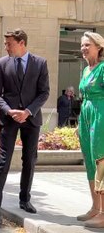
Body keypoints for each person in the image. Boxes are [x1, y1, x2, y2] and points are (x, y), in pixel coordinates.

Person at [0, 28, 50, 226]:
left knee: (29, 159)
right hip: (9, 118)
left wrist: (28, 111)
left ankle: (25, 199)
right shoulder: (2, 63)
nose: (6, 47)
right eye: (6, 44)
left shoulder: (40, 63)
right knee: (3, 161)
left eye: (9, 44)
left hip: (31, 118)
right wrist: (8, 110)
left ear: (22, 43)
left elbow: (44, 92)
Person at [77, 31, 104, 228]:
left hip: (100, 115)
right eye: (82, 45)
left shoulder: (103, 68)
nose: (84, 48)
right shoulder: (86, 70)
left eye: (88, 45)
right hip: (86, 116)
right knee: (89, 161)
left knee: (101, 160)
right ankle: (95, 207)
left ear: (99, 47)